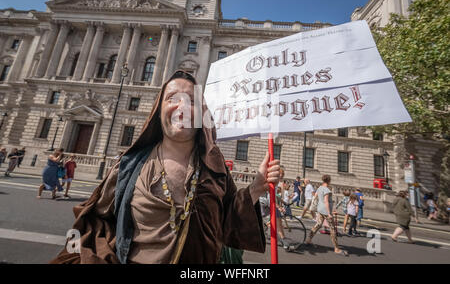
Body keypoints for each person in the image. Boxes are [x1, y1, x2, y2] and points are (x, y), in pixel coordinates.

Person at [51, 70, 282, 264]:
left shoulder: (216, 165)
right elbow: (93, 224)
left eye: (191, 100)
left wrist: (255, 188)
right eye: (172, 98)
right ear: (158, 110)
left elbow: (227, 226)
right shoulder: (129, 165)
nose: (182, 106)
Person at [305, 175, 348, 256]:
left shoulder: (320, 187)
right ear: (329, 180)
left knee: (318, 225)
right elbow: (326, 201)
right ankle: (336, 248)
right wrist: (329, 213)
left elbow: (316, 196)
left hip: (320, 209)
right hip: (325, 211)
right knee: (333, 229)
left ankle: (308, 240)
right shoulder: (327, 190)